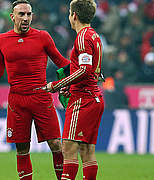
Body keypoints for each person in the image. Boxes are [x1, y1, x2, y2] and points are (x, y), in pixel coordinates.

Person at [0, 0, 69, 179]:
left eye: (28, 14)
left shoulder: (43, 37)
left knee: (56, 144)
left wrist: (82, 71)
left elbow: (62, 62)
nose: (25, 18)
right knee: (22, 147)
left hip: (41, 97)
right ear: (12, 17)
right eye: (21, 14)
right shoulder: (1, 40)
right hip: (17, 101)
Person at [40, 0, 104, 179]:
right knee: (87, 150)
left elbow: (85, 69)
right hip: (94, 97)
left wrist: (58, 84)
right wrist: (71, 84)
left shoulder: (82, 37)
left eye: (69, 12)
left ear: (74, 15)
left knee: (68, 147)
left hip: (83, 99)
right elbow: (92, 70)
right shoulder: (94, 36)